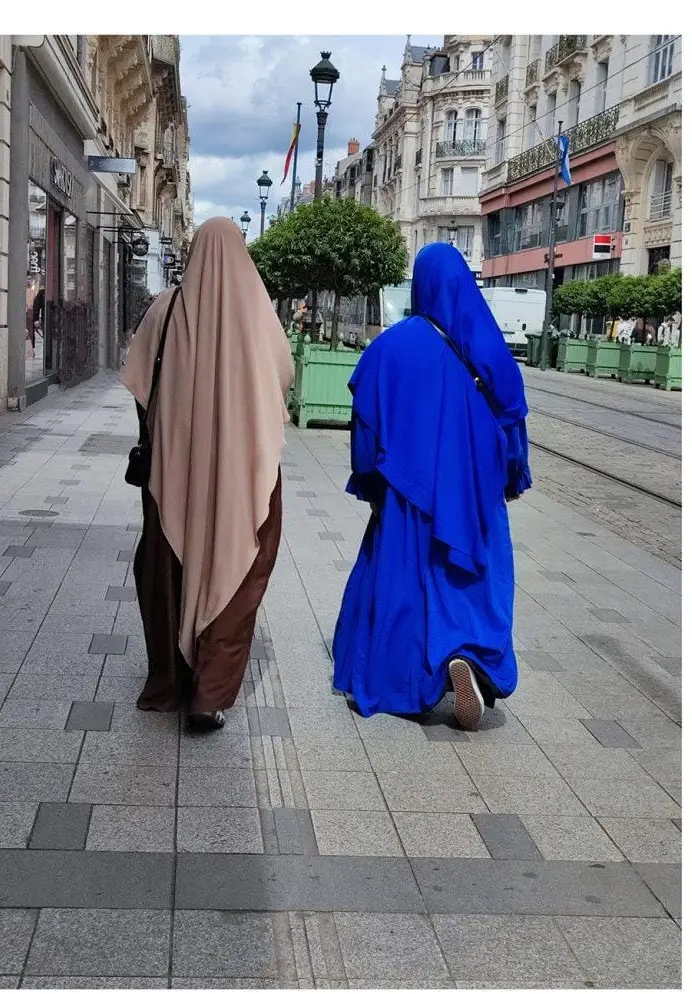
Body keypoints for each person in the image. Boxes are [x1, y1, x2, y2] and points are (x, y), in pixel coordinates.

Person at [333, 243, 532, 731]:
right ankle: (466, 655)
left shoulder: (391, 346)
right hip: (473, 492)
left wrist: (370, 480)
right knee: (471, 578)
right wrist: (509, 477)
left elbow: (365, 427)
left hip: (407, 490)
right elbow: (513, 421)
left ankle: (404, 682)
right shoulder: (487, 343)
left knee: (403, 578)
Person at [121, 218, 294, 732]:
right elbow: (283, 381)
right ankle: (210, 694)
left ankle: (171, 682)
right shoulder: (260, 315)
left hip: (172, 472)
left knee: (168, 566)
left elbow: (139, 387)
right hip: (245, 473)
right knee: (238, 565)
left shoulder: (164, 308)